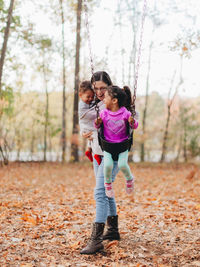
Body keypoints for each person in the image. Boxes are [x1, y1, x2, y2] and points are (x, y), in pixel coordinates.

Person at [80, 71, 121, 255]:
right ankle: (112, 230)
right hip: (97, 152)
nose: (99, 92)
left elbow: (131, 118)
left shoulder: (117, 101)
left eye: (102, 88)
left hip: (113, 154)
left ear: (109, 86)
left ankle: (96, 240)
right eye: (95, 88)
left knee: (100, 192)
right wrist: (86, 133)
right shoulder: (94, 105)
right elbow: (86, 122)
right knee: (107, 190)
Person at [94, 85, 138, 198]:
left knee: (122, 164)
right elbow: (96, 126)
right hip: (108, 145)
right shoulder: (103, 113)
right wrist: (97, 122)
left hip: (122, 145)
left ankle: (129, 180)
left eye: (106, 97)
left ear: (114, 100)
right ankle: (108, 184)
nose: (103, 99)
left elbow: (135, 126)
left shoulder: (125, 113)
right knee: (107, 165)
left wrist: (132, 122)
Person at [78, 80, 102, 165]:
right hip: (85, 124)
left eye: (92, 96)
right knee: (94, 135)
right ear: (80, 95)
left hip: (87, 125)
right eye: (88, 97)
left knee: (92, 136)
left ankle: (89, 149)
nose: (91, 99)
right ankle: (97, 154)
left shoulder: (88, 102)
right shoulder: (82, 105)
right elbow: (88, 115)